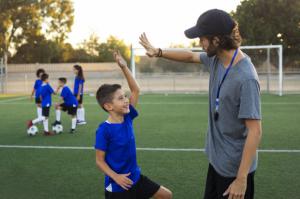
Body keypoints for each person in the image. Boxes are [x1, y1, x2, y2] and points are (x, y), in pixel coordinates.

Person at [139, 9, 262, 199]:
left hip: (234, 171)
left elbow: (255, 131)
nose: (199, 43)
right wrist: (159, 52)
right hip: (217, 162)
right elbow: (189, 56)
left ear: (217, 40)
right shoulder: (216, 59)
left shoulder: (246, 78)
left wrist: (241, 179)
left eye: (202, 38)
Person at [94, 51, 172, 199]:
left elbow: (136, 90)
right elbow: (99, 161)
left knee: (166, 195)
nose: (125, 100)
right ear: (109, 106)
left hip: (136, 178)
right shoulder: (104, 130)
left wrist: (124, 67)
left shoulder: (128, 116)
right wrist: (116, 177)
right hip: (118, 186)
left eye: (125, 97)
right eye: (120, 98)